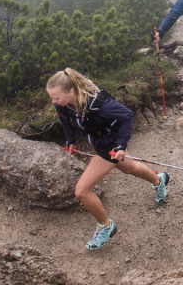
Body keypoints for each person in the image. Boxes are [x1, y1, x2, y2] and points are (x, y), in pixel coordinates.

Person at [46, 68, 170, 250]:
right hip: (98, 141)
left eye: (56, 98)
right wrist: (71, 140)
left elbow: (127, 115)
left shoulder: (98, 104)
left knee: (82, 191)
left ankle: (106, 226)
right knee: (129, 168)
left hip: (109, 144)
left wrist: (121, 145)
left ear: (70, 92)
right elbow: (66, 121)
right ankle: (159, 180)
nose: (53, 101)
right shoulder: (63, 104)